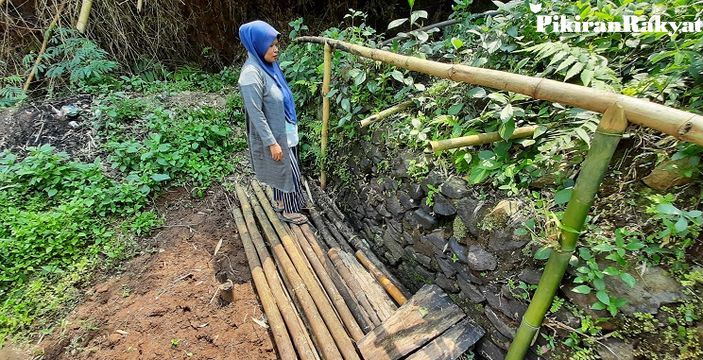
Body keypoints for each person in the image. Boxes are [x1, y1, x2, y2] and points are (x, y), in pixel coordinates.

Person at [238, 20, 308, 224]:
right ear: (257, 45)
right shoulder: (251, 74)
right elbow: (255, 113)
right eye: (270, 45)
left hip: (284, 129)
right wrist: (272, 143)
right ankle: (289, 211)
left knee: (284, 168)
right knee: (288, 171)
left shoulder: (269, 66)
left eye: (276, 44)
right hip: (275, 135)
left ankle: (280, 202)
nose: (276, 50)